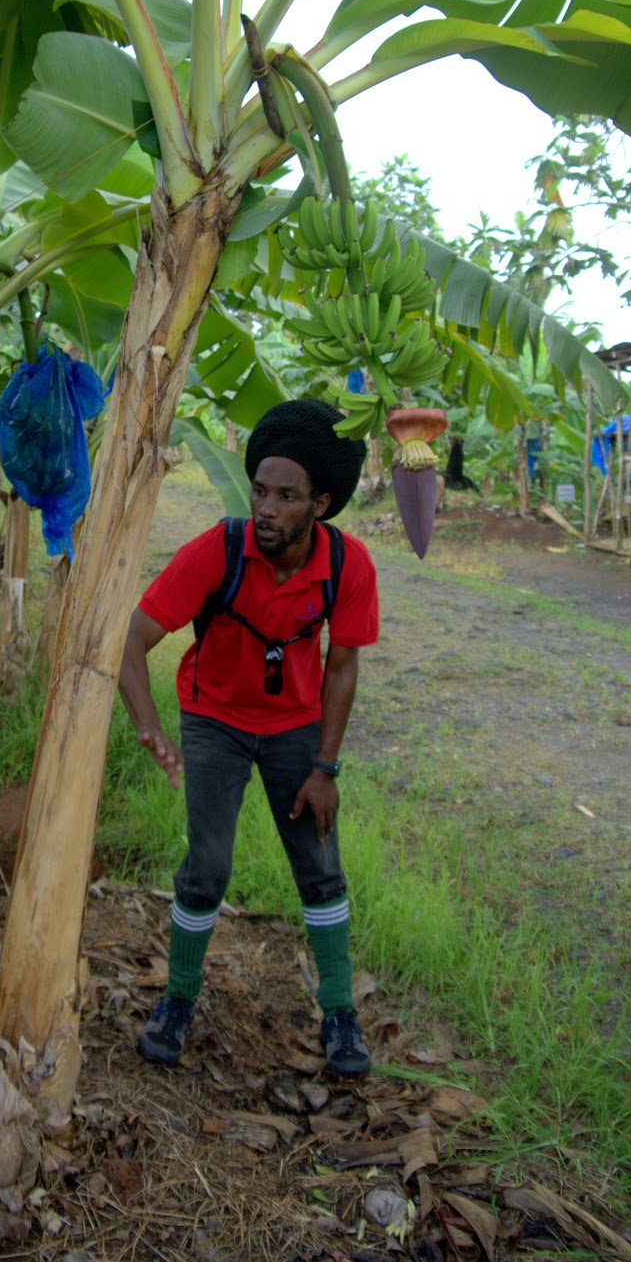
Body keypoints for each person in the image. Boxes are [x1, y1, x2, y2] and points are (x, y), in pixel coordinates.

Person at [118, 397, 378, 1076]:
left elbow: (342, 667)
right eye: (260, 490)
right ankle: (176, 1003)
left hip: (295, 727)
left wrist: (324, 767)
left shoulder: (348, 566)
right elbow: (133, 639)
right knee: (205, 870)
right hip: (214, 723)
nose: (265, 507)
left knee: (320, 870)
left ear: (318, 504)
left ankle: (339, 1015)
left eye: (285, 496)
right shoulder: (219, 550)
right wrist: (147, 724)